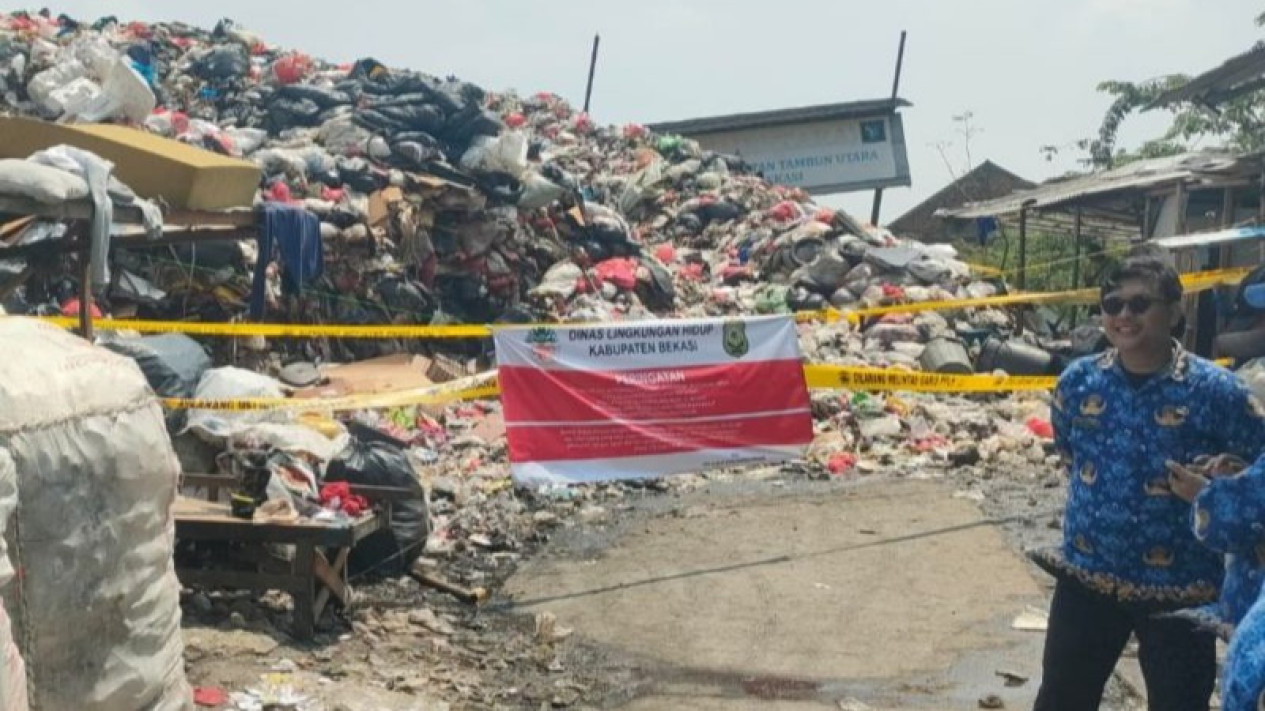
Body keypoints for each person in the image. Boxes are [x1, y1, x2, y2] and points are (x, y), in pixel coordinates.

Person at [1032, 253, 1265, 711]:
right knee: (1062, 698)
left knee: (1179, 703)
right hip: (1088, 577)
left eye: (1140, 304)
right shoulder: (1078, 383)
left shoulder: (1219, 393)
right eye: (1112, 303)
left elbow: (1256, 472)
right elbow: (1070, 452)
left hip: (1180, 589)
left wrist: (1217, 484)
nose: (1122, 315)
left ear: (1176, 311)